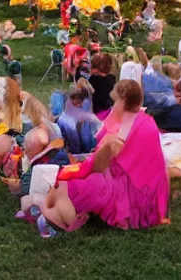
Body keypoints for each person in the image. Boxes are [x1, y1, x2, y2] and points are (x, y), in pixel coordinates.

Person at [38, 79, 169, 237]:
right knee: (65, 180)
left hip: (126, 190)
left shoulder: (124, 130)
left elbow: (98, 164)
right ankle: (53, 210)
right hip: (146, 196)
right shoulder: (145, 120)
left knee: (70, 182)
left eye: (116, 101)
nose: (113, 105)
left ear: (122, 101)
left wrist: (76, 169)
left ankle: (59, 217)